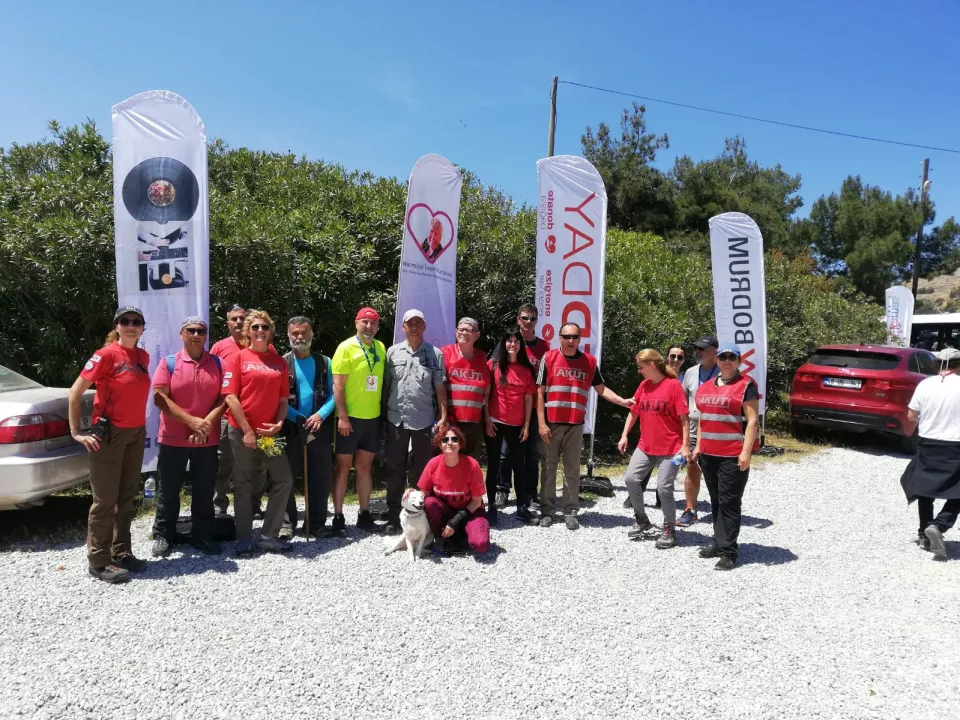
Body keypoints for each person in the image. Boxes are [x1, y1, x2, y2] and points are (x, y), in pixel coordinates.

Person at [68, 306, 152, 584]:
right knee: (104, 501)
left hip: (135, 433)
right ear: (117, 326)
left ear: (142, 328)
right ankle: (98, 561)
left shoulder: (143, 356)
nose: (131, 325)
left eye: (136, 322)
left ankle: (121, 552)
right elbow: (75, 392)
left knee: (126, 497)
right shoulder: (105, 355)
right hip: (109, 435)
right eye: (125, 321)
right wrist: (76, 432)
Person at [537, 322, 634, 530]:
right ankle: (547, 511)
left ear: (579, 339)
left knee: (572, 469)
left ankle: (570, 511)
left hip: (575, 425)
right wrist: (541, 423)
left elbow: (602, 389)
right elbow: (539, 392)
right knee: (548, 468)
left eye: (575, 337)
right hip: (551, 424)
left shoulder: (589, 362)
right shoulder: (549, 358)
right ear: (560, 338)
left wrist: (623, 402)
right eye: (567, 337)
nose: (571, 340)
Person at [150, 317, 226, 557]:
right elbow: (159, 397)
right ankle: (163, 535)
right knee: (169, 490)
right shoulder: (169, 363)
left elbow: (225, 398)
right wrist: (192, 422)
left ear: (206, 335)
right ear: (181, 334)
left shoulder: (219, 364)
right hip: (173, 438)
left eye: (201, 331)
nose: (196, 335)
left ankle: (202, 536)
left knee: (204, 490)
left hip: (207, 438)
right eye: (191, 331)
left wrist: (204, 425)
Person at [221, 310, 295, 555]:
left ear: (270, 331)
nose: (260, 331)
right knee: (243, 481)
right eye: (255, 327)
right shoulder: (237, 358)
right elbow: (230, 397)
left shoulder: (279, 361)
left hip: (269, 434)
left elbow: (283, 400)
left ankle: (268, 535)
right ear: (247, 331)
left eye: (264, 327)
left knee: (284, 479)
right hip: (242, 431)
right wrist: (247, 430)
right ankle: (243, 537)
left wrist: (279, 424)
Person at [693, 342, 760, 570]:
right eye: (723, 357)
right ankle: (719, 542)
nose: (727, 361)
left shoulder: (746, 386)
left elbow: (752, 421)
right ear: (717, 360)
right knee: (715, 500)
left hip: (732, 455)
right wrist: (698, 446)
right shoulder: (705, 387)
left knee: (729, 502)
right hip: (708, 454)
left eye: (732, 357)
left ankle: (729, 551)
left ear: (739, 361)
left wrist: (746, 452)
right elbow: (703, 419)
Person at [383, 308, 448, 535]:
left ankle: (421, 515)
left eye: (418, 323)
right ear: (403, 327)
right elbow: (386, 385)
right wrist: (382, 415)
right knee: (395, 468)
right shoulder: (392, 353)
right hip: (396, 419)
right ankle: (394, 516)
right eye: (410, 323)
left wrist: (443, 416)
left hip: (423, 420)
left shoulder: (435, 354)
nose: (414, 327)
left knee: (422, 470)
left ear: (424, 327)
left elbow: (440, 387)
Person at [618, 349, 690, 549]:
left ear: (651, 365)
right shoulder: (644, 386)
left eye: (640, 367)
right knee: (631, 479)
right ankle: (642, 520)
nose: (639, 371)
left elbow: (684, 418)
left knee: (664, 488)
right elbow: (634, 412)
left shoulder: (673, 385)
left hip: (671, 448)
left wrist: (685, 446)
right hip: (646, 446)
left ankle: (669, 529)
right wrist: (624, 435)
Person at [330, 307, 387, 535]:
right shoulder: (345, 347)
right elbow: (338, 386)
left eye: (373, 323)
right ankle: (338, 516)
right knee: (343, 467)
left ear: (378, 326)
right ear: (356, 323)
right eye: (365, 322)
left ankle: (364, 514)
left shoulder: (380, 347)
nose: (369, 326)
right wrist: (342, 417)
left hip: (372, 418)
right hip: (349, 418)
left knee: (364, 466)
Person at [900, 347, 960, 558]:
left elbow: (911, 416)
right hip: (956, 445)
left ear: (936, 364)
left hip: (928, 442)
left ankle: (924, 533)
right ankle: (939, 525)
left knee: (925, 488)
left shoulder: (925, 384)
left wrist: (911, 433)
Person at [492, 302, 551, 508]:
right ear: (518, 320)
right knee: (505, 453)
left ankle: (530, 492)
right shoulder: (508, 341)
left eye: (532, 318)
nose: (528, 322)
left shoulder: (544, 347)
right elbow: (494, 369)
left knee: (532, 453)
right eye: (524, 318)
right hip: (509, 408)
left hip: (535, 407)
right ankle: (502, 489)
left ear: (536, 321)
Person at [281, 316, 335, 538]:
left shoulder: (325, 362)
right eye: (295, 333)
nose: (300, 337)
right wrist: (298, 417)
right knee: (285, 478)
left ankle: (316, 523)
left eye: (304, 333)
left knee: (320, 477)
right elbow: (276, 399)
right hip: (290, 428)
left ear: (312, 335)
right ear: (288, 336)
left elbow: (335, 394)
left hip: (318, 427)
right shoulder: (281, 363)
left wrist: (320, 415)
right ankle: (286, 523)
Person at [210, 304, 265, 518]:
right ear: (228, 324)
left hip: (256, 416)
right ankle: (219, 504)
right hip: (227, 415)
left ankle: (254, 504)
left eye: (242, 318)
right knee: (223, 461)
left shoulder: (262, 345)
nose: (239, 322)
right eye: (234, 319)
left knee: (257, 463)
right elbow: (211, 380)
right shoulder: (219, 348)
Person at [485, 326, 537, 525]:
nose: (512, 344)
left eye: (516, 341)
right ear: (504, 343)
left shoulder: (526, 369)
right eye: (509, 340)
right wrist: (487, 420)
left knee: (519, 467)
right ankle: (491, 506)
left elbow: (528, 399)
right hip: (495, 423)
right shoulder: (493, 365)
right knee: (493, 466)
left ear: (520, 345)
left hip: (518, 425)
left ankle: (522, 507)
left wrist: (527, 424)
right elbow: (485, 395)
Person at [416, 425, 490, 554]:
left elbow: (477, 501)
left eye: (454, 439)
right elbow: (424, 494)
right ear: (440, 445)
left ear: (460, 444)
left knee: (481, 545)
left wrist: (455, 521)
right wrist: (411, 494)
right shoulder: (433, 464)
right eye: (445, 440)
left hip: (470, 512)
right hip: (446, 512)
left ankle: (461, 534)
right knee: (430, 503)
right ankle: (441, 537)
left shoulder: (472, 465)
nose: (450, 443)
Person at [677, 335, 719, 527]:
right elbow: (682, 403)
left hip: (716, 431)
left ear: (714, 351)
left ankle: (721, 510)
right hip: (693, 429)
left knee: (716, 473)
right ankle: (690, 510)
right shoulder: (691, 372)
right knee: (692, 468)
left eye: (702, 348)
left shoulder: (724, 372)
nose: (698, 352)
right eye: (696, 348)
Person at [441, 317, 491, 459]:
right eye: (461, 330)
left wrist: (487, 419)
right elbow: (438, 388)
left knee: (470, 462)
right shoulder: (445, 353)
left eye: (468, 330)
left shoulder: (481, 357)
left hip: (474, 423)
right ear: (455, 332)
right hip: (451, 421)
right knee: (449, 461)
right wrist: (442, 417)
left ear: (477, 335)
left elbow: (485, 393)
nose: (463, 333)